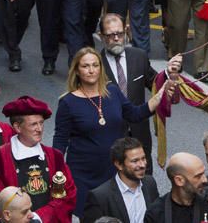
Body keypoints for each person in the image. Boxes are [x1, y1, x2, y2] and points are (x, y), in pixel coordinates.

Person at [53, 47, 171, 215]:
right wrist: (57, 170)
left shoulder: (113, 92)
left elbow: (134, 114)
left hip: (114, 170)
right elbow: (60, 139)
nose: (91, 70)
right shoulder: (68, 102)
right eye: (86, 66)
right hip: (84, 174)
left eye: (95, 65)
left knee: (119, 214)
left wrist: (158, 98)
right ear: (77, 71)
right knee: (91, 217)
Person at [97, 13, 182, 174]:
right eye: (110, 35)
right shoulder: (95, 65)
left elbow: (155, 83)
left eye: (119, 34)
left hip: (139, 134)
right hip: (110, 136)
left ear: (126, 31)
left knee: (145, 182)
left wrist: (168, 72)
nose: (116, 38)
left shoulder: (139, 57)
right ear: (102, 37)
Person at [0, 96, 77, 223]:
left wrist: (39, 217)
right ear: (17, 127)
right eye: (33, 124)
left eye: (41, 123)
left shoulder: (55, 156)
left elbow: (68, 195)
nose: (40, 129)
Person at [82, 136, 160, 223]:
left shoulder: (150, 183)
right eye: (135, 161)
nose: (142, 165)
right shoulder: (100, 197)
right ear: (119, 165)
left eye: (143, 158)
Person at [144, 152, 208, 223]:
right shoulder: (155, 214)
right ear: (179, 180)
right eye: (198, 176)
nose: (205, 180)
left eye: (203, 173)